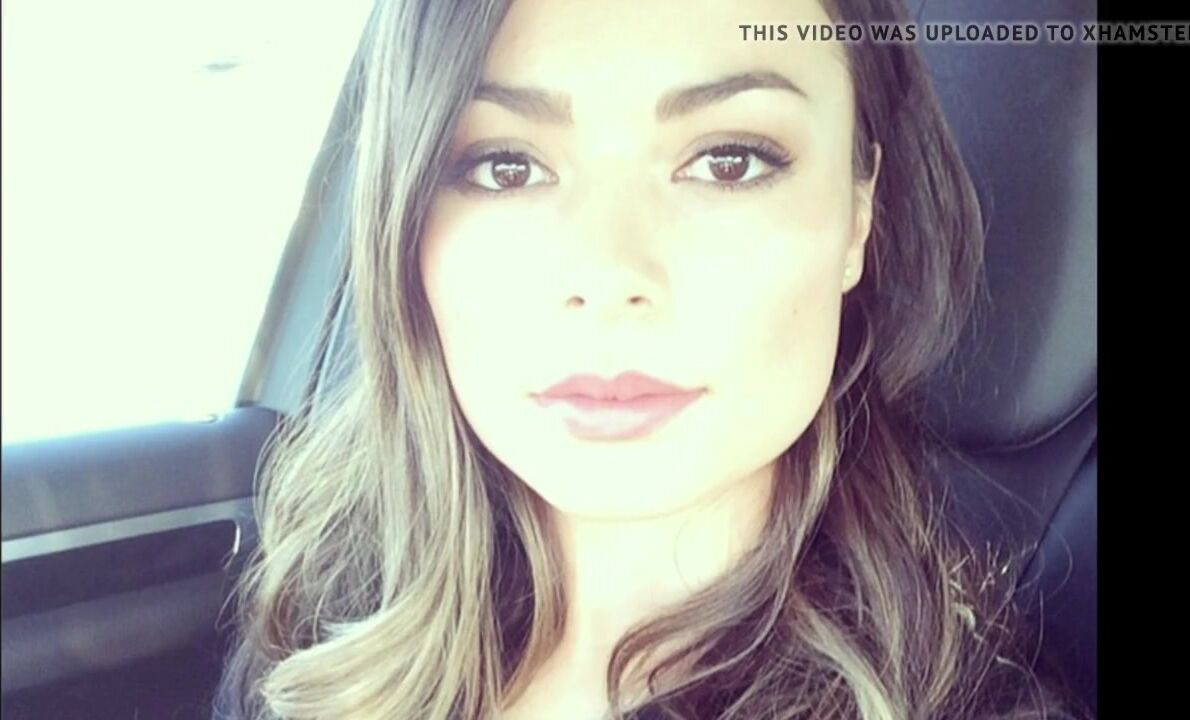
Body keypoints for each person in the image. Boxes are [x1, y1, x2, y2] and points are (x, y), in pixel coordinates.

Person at [214, 0, 1087, 717]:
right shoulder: (320, 623)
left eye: (728, 162)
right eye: (506, 167)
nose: (607, 275)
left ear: (859, 213)